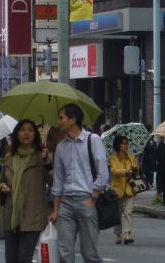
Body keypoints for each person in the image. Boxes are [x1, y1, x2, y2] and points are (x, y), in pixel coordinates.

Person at [49, 103, 109, 263]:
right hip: (66, 204)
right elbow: (58, 181)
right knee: (64, 253)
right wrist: (56, 210)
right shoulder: (61, 147)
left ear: (72, 120)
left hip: (86, 200)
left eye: (61, 117)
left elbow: (103, 174)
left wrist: (93, 198)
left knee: (89, 253)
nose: (58, 121)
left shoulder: (93, 140)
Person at [0, 119, 52, 263]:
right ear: (17, 134)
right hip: (12, 215)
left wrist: (47, 162)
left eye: (30, 130)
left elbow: (53, 181)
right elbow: (1, 179)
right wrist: (3, 186)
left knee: (24, 258)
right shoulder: (9, 157)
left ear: (35, 135)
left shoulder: (41, 157)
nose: (26, 133)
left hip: (32, 215)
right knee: (10, 259)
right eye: (22, 130)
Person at [108, 134, 139, 245]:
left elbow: (136, 169)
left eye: (127, 143)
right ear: (118, 145)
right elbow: (114, 171)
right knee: (117, 214)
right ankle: (119, 235)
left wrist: (135, 169)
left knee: (128, 212)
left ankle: (127, 235)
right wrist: (126, 171)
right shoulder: (113, 158)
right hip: (117, 190)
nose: (126, 145)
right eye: (123, 143)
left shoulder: (131, 157)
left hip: (130, 188)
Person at [155, 136, 165, 204]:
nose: (163, 138)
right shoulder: (161, 144)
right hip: (161, 168)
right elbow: (158, 155)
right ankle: (161, 200)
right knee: (162, 183)